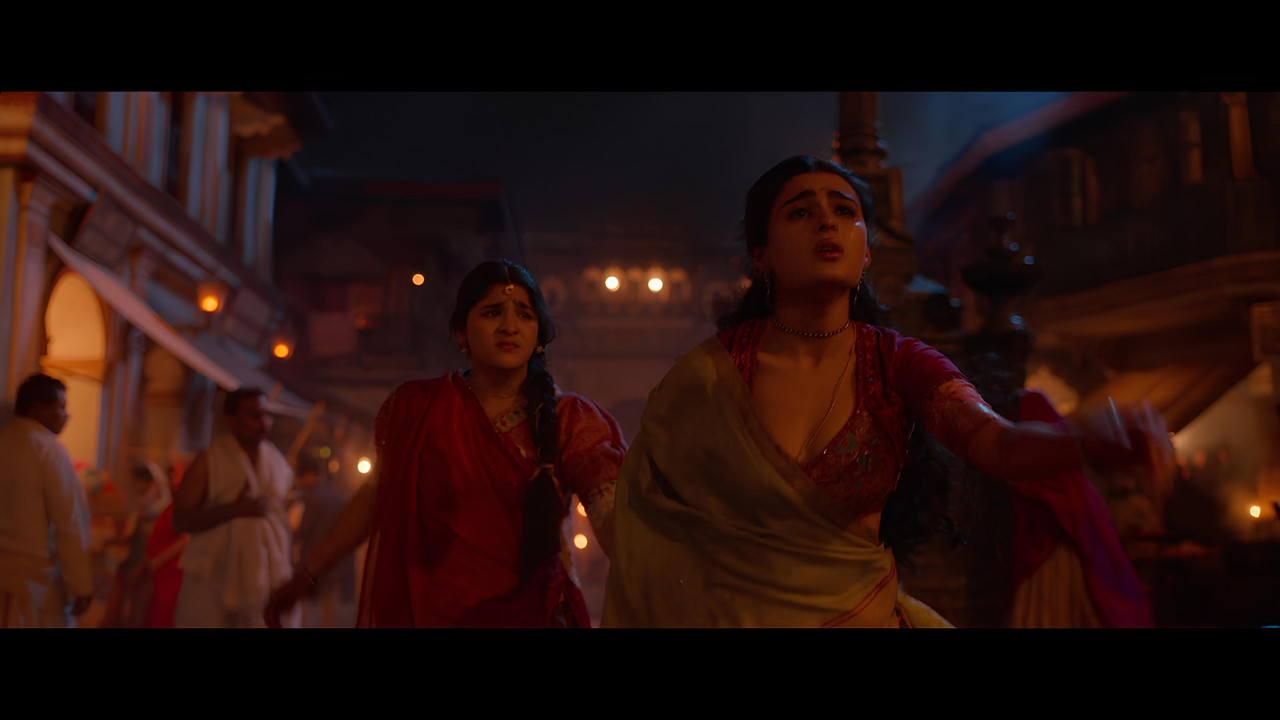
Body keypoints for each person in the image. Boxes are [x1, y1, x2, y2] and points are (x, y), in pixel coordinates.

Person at [601, 156, 1174, 628]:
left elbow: (994, 443)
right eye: (800, 211)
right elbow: (650, 517)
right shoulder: (707, 377)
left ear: (867, 251)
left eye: (844, 211)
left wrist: (1083, 443)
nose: (826, 223)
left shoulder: (898, 362)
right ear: (761, 255)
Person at [264, 260, 626, 628]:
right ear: (461, 333)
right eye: (492, 312)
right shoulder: (420, 409)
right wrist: (308, 573)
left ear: (538, 337)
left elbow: (614, 515)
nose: (509, 325)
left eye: (524, 314)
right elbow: (378, 498)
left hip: (538, 616)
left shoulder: (572, 419)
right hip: (435, 615)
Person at [172, 388, 298, 628]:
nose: (263, 423)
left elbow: (281, 520)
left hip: (266, 581)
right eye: (254, 415)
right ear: (231, 420)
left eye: (266, 415)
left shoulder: (277, 462)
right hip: (213, 581)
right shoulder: (209, 460)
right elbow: (180, 520)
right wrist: (234, 509)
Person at [0, 374, 94, 627]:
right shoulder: (50, 450)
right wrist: (81, 583)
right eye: (60, 406)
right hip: (36, 581)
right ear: (37, 408)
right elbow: (69, 522)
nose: (66, 415)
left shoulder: (4, 442)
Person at [290, 459, 357, 627]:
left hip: (313, 562)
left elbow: (301, 531)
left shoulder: (310, 498)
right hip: (334, 562)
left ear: (309, 474)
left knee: (307, 612)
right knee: (330, 612)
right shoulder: (336, 494)